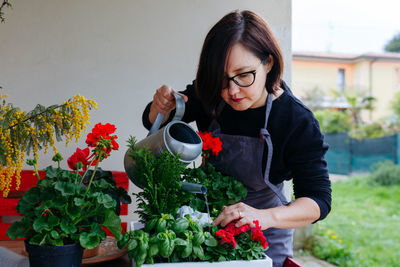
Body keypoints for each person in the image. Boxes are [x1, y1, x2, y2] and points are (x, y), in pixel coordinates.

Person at [142, 10, 331, 267]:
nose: (232, 90)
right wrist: (159, 106)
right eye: (221, 78)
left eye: (244, 75)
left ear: (268, 63)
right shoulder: (210, 94)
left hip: (265, 240)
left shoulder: (295, 120)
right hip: (207, 232)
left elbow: (317, 200)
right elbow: (159, 120)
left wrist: (263, 217)